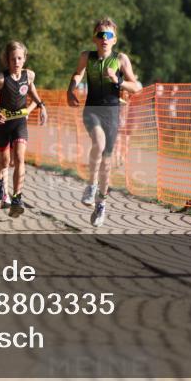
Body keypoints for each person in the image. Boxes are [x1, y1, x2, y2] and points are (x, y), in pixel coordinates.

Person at [67, 17, 142, 227]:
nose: (104, 39)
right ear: (95, 38)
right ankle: (90, 186)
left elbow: (136, 87)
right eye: (101, 35)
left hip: (112, 113)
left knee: (107, 162)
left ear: (115, 39)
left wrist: (117, 80)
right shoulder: (87, 57)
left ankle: (101, 202)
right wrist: (70, 89)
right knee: (98, 145)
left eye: (108, 35)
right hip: (92, 110)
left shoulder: (121, 59)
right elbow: (77, 73)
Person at [0, 41, 48, 217]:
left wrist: (41, 106)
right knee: (4, 162)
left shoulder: (29, 76)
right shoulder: (0, 78)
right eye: (13, 59)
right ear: (7, 60)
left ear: (24, 58)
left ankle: (17, 197)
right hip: (2, 125)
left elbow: (33, 95)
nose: (16, 62)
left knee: (19, 158)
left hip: (19, 123)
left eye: (19, 58)